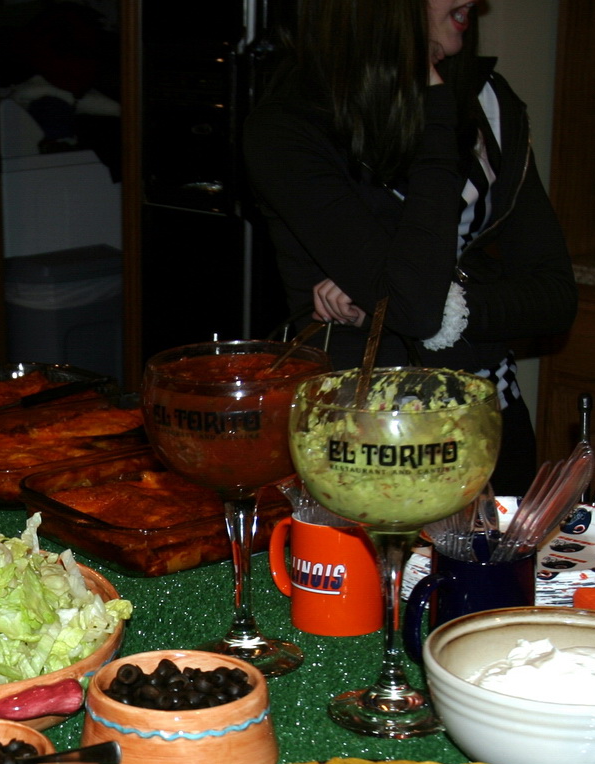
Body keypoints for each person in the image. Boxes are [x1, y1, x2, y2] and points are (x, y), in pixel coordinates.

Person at [243, 0, 577, 495]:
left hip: (490, 428)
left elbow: (556, 298)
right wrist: (435, 116)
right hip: (360, 443)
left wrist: (449, 307)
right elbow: (412, 306)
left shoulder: (489, 101)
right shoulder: (290, 126)